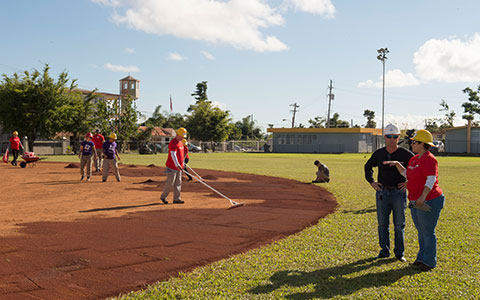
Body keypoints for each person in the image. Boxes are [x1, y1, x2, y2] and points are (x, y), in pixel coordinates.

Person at [383, 129, 444, 271]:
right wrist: (398, 165)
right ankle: (421, 258)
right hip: (416, 201)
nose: (411, 144)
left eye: (414, 142)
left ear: (423, 144)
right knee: (421, 232)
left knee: (428, 232)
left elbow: (431, 179)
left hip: (429, 200)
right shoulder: (414, 159)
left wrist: (422, 197)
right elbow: (408, 174)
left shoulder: (430, 159)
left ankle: (429, 262)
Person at [364, 124, 413, 262]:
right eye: (389, 136)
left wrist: (408, 182)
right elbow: (368, 167)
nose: (392, 139)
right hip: (383, 193)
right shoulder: (379, 154)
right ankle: (384, 251)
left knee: (399, 224)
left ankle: (399, 253)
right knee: (382, 224)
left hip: (399, 193)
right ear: (384, 137)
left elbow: (416, 168)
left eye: (395, 136)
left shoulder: (405, 154)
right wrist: (372, 182)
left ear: (398, 138)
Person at [160, 127, 187, 204]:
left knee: (178, 182)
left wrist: (183, 163)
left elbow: (182, 155)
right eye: (181, 136)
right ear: (177, 134)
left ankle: (177, 198)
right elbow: (173, 154)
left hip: (179, 167)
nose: (182, 138)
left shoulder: (181, 142)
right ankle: (163, 197)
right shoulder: (173, 142)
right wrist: (177, 164)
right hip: (172, 166)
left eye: (183, 136)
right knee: (170, 182)